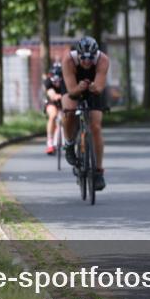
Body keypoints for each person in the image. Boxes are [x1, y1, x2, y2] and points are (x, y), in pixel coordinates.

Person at [62, 36, 110, 191]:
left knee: (96, 126)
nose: (87, 61)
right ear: (78, 54)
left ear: (95, 55)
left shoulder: (103, 60)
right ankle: (69, 144)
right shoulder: (68, 60)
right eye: (83, 58)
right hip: (73, 87)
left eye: (90, 58)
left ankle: (98, 171)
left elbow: (100, 87)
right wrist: (79, 88)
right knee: (69, 112)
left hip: (92, 89)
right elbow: (71, 91)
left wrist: (93, 87)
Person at [44, 62, 66, 155]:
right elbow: (50, 92)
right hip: (52, 102)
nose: (56, 83)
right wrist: (55, 95)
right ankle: (50, 141)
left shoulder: (66, 81)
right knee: (53, 115)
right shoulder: (48, 81)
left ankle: (66, 139)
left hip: (64, 101)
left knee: (67, 118)